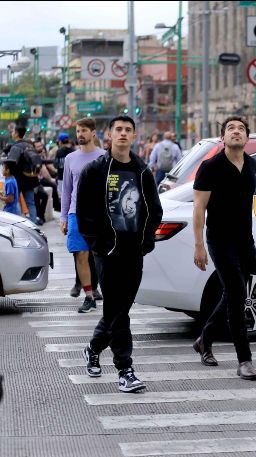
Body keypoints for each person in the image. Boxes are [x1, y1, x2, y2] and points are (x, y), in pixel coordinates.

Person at [77, 115, 162, 393]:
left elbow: (155, 210)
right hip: (107, 251)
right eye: (118, 129)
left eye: (128, 130)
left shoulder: (142, 171)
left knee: (118, 310)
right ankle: (125, 370)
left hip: (133, 250)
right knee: (119, 313)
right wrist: (98, 245)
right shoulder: (94, 170)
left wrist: (146, 241)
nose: (123, 133)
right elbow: (84, 212)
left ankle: (92, 348)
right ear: (109, 135)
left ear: (134, 136)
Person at [192, 116, 256, 380]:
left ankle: (204, 339)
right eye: (231, 128)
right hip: (219, 240)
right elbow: (199, 208)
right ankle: (245, 360)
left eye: (241, 129)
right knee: (236, 294)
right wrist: (199, 245)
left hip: (245, 241)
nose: (236, 132)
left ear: (247, 138)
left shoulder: (252, 164)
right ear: (222, 138)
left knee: (233, 294)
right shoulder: (210, 167)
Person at [61, 118, 106, 313]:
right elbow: (66, 190)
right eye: (78, 131)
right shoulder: (70, 158)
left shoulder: (104, 156)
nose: (80, 134)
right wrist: (63, 217)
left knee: (101, 256)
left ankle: (106, 292)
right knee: (80, 254)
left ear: (93, 133)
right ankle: (89, 296)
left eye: (84, 131)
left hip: (99, 214)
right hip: (76, 213)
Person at [4, 127, 41, 223]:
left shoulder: (15, 147)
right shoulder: (29, 145)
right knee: (31, 203)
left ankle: (17, 224)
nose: (12, 133)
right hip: (30, 178)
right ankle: (34, 224)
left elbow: (11, 164)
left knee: (15, 202)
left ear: (16, 133)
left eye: (13, 131)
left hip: (18, 179)